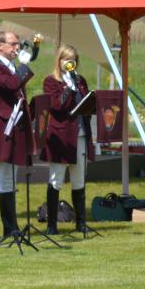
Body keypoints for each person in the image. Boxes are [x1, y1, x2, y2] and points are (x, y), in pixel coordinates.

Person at [0, 30, 38, 240]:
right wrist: (23, 68)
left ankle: (9, 227)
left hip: (14, 125)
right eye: (12, 44)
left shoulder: (8, 66)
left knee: (9, 178)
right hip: (0, 126)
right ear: (0, 45)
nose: (16, 48)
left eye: (17, 44)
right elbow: (12, 84)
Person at [39, 44, 94, 235]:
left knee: (79, 180)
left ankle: (80, 222)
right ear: (59, 61)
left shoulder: (80, 81)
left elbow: (86, 103)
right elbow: (57, 106)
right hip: (61, 137)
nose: (70, 63)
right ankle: (52, 224)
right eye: (66, 59)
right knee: (56, 180)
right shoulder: (51, 81)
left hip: (79, 135)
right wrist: (68, 89)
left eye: (73, 60)